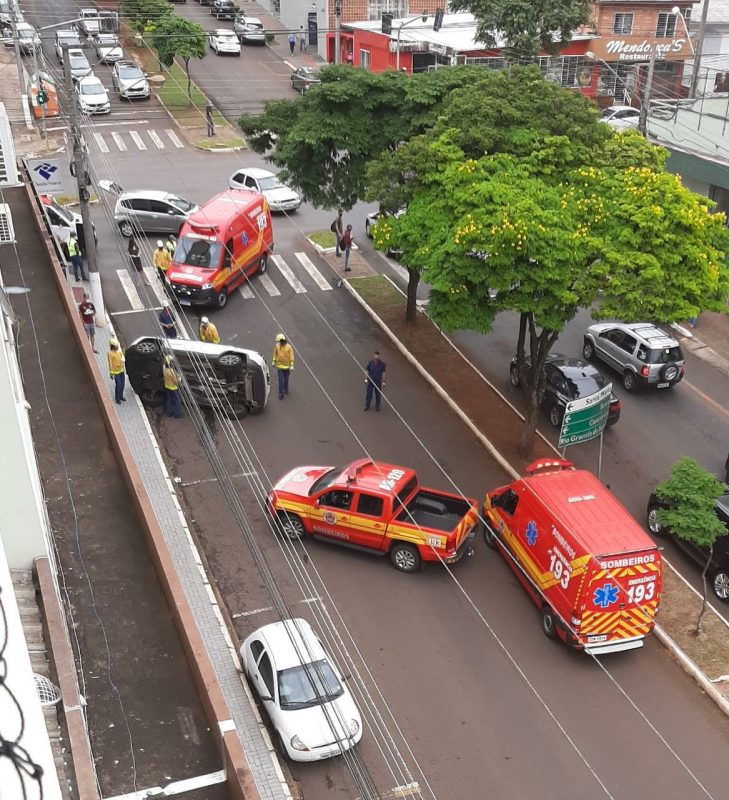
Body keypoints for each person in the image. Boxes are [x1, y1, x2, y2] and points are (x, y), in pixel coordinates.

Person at [271, 333, 294, 400]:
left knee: (286, 379)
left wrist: (292, 364)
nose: (280, 343)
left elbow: (291, 356)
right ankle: (281, 394)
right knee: (281, 380)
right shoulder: (277, 346)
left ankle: (286, 389)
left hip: (286, 367)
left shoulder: (289, 347)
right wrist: (274, 360)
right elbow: (275, 353)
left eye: (280, 341)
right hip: (280, 366)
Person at [108, 338, 126, 404]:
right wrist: (111, 373)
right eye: (116, 346)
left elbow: (122, 358)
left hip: (121, 370)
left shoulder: (119, 351)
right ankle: (117, 398)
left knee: (123, 384)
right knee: (118, 385)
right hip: (116, 372)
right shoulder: (110, 353)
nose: (117, 346)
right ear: (113, 346)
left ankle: (121, 396)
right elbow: (110, 363)